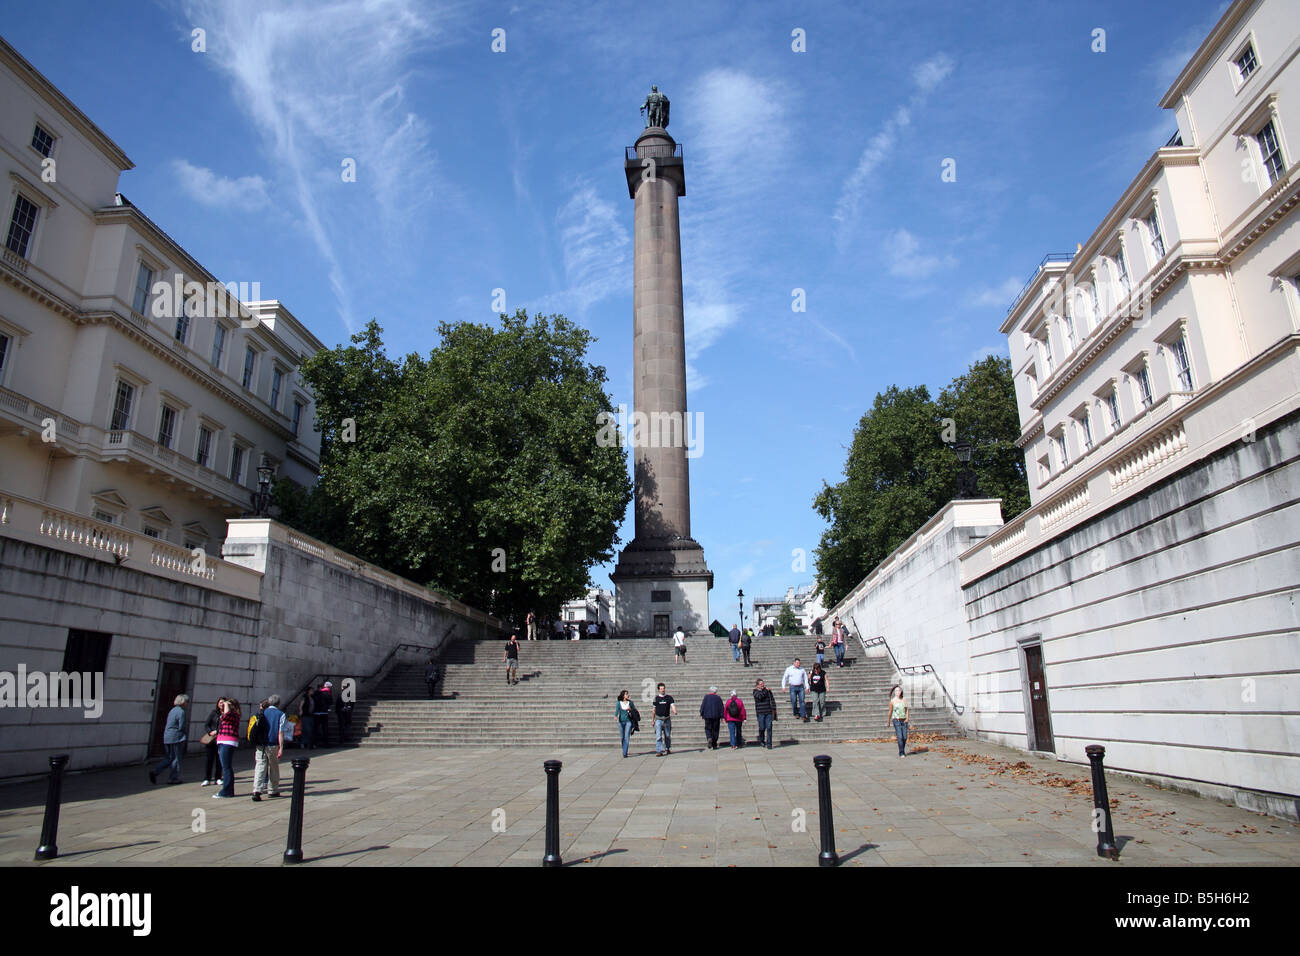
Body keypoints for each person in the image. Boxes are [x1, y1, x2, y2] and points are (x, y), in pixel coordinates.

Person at [149, 693, 189, 785]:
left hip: (167, 736)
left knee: (169, 758)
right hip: (176, 737)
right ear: (183, 702)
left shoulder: (172, 710)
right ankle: (173, 778)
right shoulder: (181, 712)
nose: (187, 704)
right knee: (175, 758)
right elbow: (181, 726)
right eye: (186, 702)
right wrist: (184, 734)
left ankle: (155, 771)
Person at [213, 697, 241, 798]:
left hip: (228, 741)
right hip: (222, 740)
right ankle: (228, 790)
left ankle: (226, 791)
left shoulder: (234, 715)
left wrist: (227, 705)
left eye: (226, 705)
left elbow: (226, 716)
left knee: (226, 767)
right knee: (225, 766)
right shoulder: (229, 715)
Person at [201, 698, 223, 785]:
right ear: (217, 704)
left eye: (223, 703)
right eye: (220, 702)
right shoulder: (214, 713)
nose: (221, 704)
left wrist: (218, 731)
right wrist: (210, 732)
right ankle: (207, 778)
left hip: (221, 739)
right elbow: (207, 724)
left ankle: (218, 777)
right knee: (209, 759)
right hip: (212, 740)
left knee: (219, 760)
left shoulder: (226, 714)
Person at [652, 682, 676, 756]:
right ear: (658, 690)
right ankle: (659, 751)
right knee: (658, 736)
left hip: (666, 719)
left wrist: (674, 710)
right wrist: (652, 720)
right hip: (658, 719)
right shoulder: (656, 698)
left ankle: (667, 748)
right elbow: (653, 710)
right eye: (661, 689)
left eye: (663, 688)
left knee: (667, 735)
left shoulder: (669, 697)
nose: (662, 690)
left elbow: (672, 705)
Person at [753, 679, 777, 749]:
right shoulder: (755, 691)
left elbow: (772, 699)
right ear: (757, 685)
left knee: (769, 727)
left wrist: (774, 709)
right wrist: (766, 690)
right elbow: (760, 697)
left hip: (768, 711)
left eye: (763, 684)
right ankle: (762, 740)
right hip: (760, 712)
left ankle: (769, 744)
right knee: (762, 727)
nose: (762, 685)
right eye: (761, 684)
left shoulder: (768, 691)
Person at [888, 684, 910, 757]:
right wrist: (888, 721)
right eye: (896, 691)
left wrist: (907, 718)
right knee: (900, 737)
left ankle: (902, 749)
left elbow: (906, 709)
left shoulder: (904, 699)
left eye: (899, 690)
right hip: (896, 720)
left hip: (903, 720)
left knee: (904, 737)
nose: (898, 692)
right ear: (894, 692)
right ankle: (901, 752)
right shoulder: (892, 701)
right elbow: (890, 712)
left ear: (901, 691)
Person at [616, 689, 635, 757]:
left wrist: (630, 709)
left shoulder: (630, 703)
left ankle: (625, 752)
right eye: (626, 694)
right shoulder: (619, 703)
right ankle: (624, 749)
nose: (628, 695)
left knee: (627, 737)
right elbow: (617, 711)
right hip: (621, 722)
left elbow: (634, 711)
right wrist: (615, 716)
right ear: (623, 695)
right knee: (622, 737)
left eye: (628, 694)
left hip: (628, 721)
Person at [313, 682, 333, 747]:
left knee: (315, 729)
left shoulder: (315, 694)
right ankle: (326, 743)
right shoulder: (327, 693)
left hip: (316, 713)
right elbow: (331, 702)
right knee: (325, 729)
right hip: (324, 713)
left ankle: (313, 743)